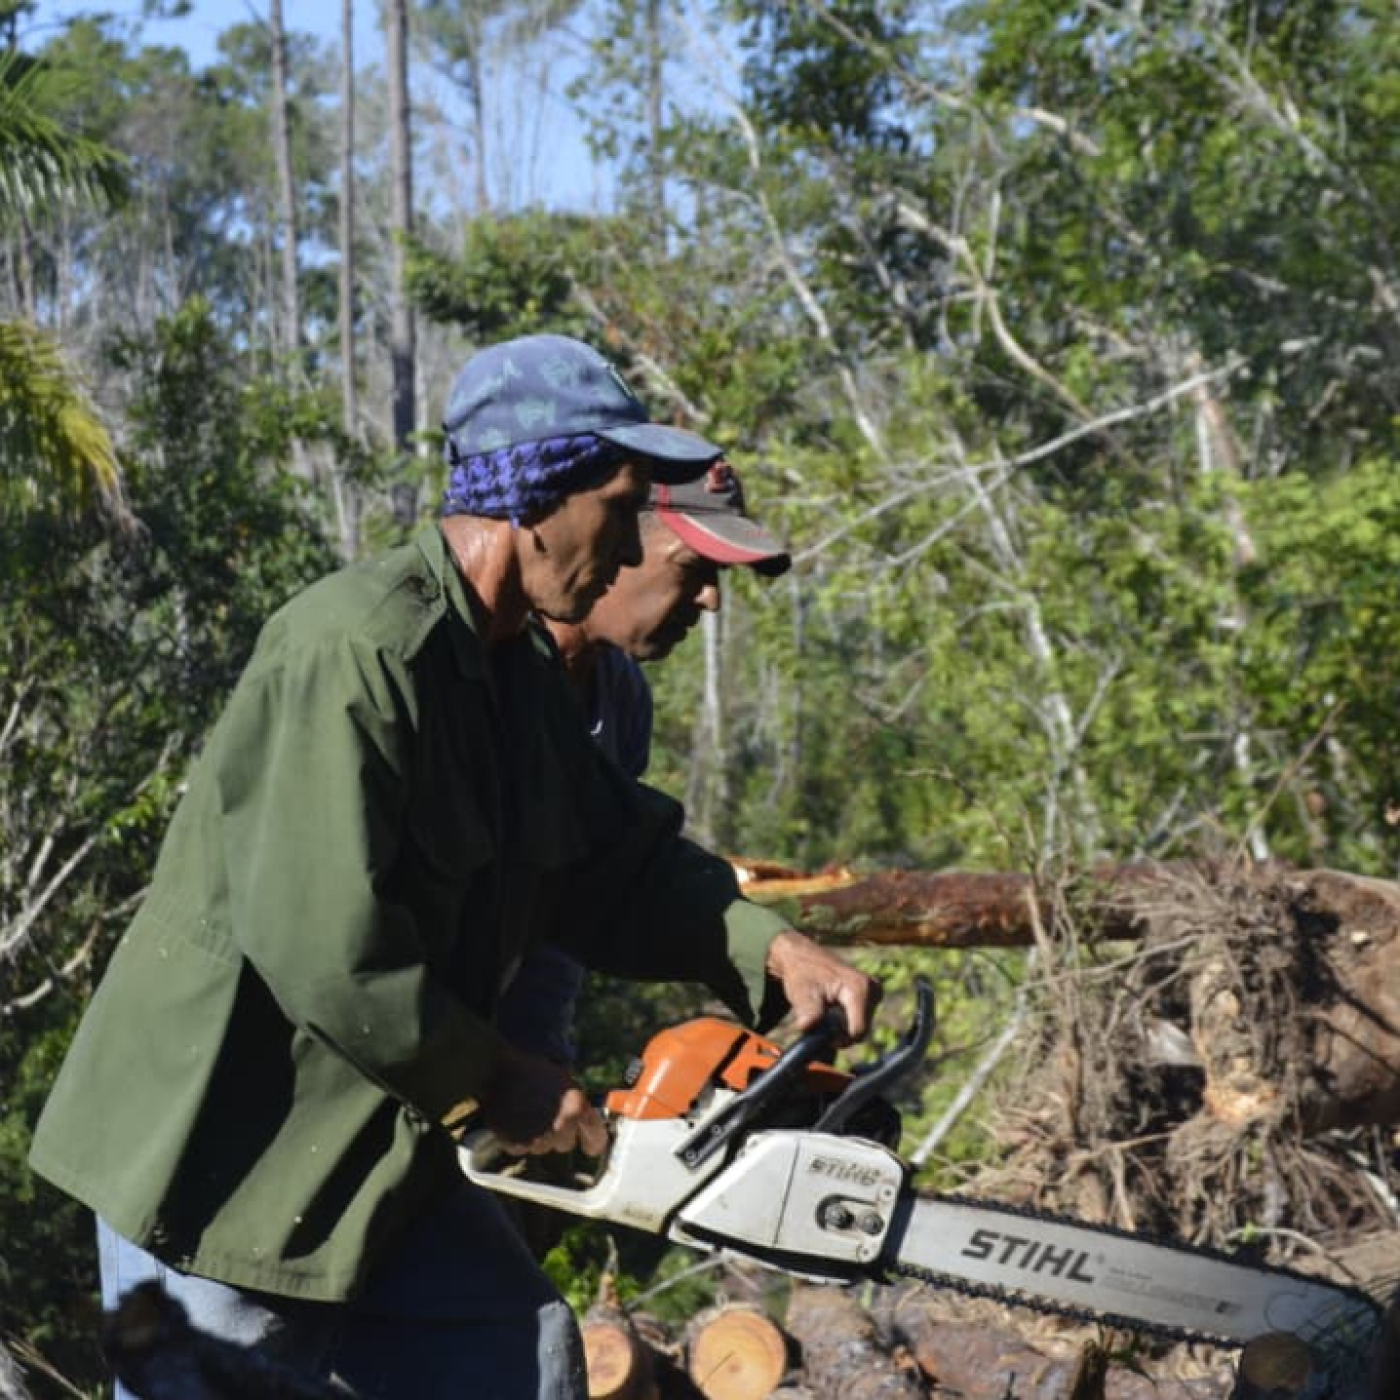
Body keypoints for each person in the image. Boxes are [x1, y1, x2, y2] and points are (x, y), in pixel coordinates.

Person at [28, 332, 879, 1400]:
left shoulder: (513, 677)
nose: (626, 549)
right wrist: (497, 1076)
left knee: (517, 1354)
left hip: (374, 1142)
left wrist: (774, 949)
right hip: (227, 1158)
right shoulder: (355, 650)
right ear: (535, 496)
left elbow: (615, 860)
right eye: (617, 508)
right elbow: (326, 949)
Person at [497, 460, 792, 1068]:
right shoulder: (484, 677)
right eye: (693, 567)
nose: (711, 598)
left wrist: (542, 1057)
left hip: (529, 1070)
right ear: (614, 541)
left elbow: (584, 895)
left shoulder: (620, 696)